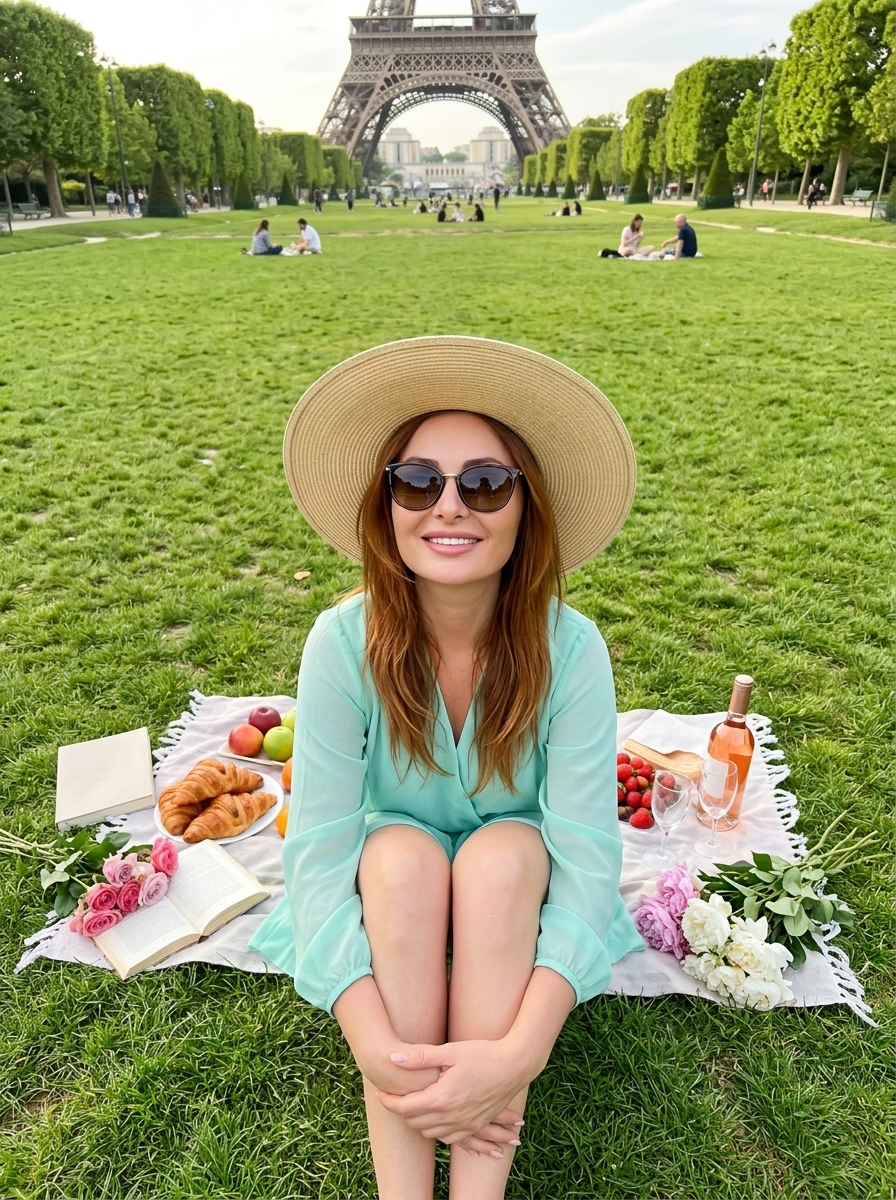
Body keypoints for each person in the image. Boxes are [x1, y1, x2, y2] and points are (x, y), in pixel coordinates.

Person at [247, 335, 644, 1200]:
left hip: (513, 897)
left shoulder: (572, 652)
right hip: (397, 893)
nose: (450, 508)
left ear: (525, 506)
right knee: (397, 857)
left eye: (487, 483)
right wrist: (377, 1055)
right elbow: (315, 858)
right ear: (387, 503)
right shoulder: (340, 641)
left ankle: (477, 1187)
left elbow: (583, 865)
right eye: (419, 481)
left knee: (503, 858)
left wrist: (515, 1057)